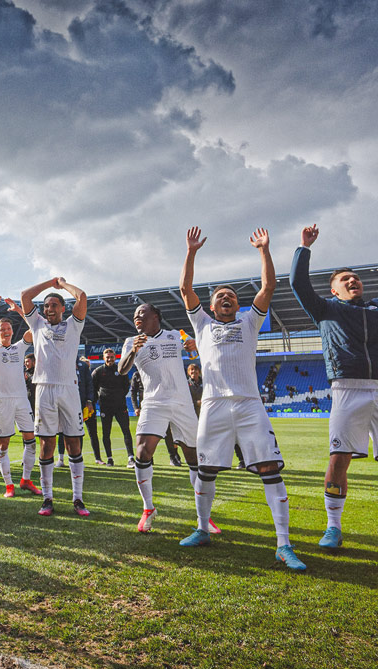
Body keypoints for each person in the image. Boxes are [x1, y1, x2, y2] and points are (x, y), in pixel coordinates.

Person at [180, 226, 305, 571]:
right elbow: (185, 289)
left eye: (231, 295)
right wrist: (191, 252)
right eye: (220, 295)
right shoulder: (202, 325)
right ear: (210, 306)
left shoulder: (250, 322)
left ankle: (284, 545)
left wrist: (264, 250)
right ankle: (202, 529)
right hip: (214, 405)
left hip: (250, 405)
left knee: (269, 470)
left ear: (238, 304)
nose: (226, 297)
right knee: (206, 470)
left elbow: (268, 287)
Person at [290, 223, 378, 549]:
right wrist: (304, 246)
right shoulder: (326, 309)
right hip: (347, 389)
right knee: (339, 460)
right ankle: (333, 528)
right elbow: (297, 283)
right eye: (345, 279)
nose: (353, 280)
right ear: (335, 291)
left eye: (355, 278)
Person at [118, 304, 219, 535]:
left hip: (182, 403)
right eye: (134, 316)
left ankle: (204, 516)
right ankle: (148, 509)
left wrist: (194, 347)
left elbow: (196, 353)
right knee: (142, 452)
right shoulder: (130, 342)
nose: (136, 318)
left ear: (156, 316)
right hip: (153, 402)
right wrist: (133, 350)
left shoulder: (175, 335)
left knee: (194, 458)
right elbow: (123, 370)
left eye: (141, 314)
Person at [21, 276, 89, 517]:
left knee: (73, 443)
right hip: (44, 389)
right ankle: (48, 498)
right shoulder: (37, 324)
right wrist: (49, 283)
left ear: (62, 308)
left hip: (69, 389)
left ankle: (78, 499)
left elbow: (82, 297)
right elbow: (25, 297)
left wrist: (62, 285)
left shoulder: (73, 325)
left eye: (53, 305)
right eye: (46, 305)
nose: (48, 309)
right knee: (46, 444)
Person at [0, 297, 42, 497]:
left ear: (12, 331)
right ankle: (9, 485)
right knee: (2, 445)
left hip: (21, 400)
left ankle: (26, 480)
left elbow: (35, 327)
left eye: (8, 328)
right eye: (2, 329)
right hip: (1, 401)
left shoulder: (19, 347)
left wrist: (20, 310)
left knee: (31, 441)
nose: (6, 331)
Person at [92, 348, 136, 467]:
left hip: (120, 406)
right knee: (106, 433)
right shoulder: (98, 371)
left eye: (111, 357)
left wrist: (119, 396)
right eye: (107, 357)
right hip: (105, 407)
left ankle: (131, 458)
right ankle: (110, 458)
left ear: (115, 357)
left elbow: (126, 386)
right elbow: (93, 388)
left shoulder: (120, 370)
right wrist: (99, 399)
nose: (110, 359)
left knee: (126, 431)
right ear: (103, 358)